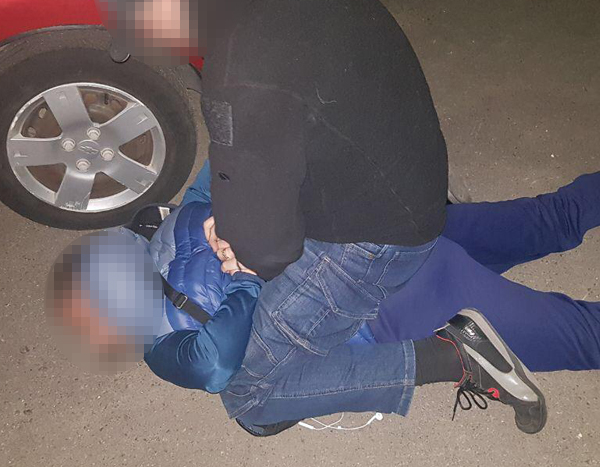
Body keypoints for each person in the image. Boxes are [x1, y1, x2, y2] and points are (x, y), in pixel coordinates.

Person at [88, 0, 450, 385]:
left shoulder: (242, 65)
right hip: (402, 156)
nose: (152, 41)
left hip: (382, 232)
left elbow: (267, 253)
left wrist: (241, 247)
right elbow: (259, 140)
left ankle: (451, 357)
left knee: (250, 387)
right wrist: (234, 213)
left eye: (141, 22)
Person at [47, 164, 600, 436]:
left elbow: (216, 367)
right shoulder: (177, 219)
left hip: (400, 297)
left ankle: (456, 354)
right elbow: (228, 163)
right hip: (388, 226)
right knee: (549, 217)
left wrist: (243, 280)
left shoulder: (161, 342)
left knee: (581, 335)